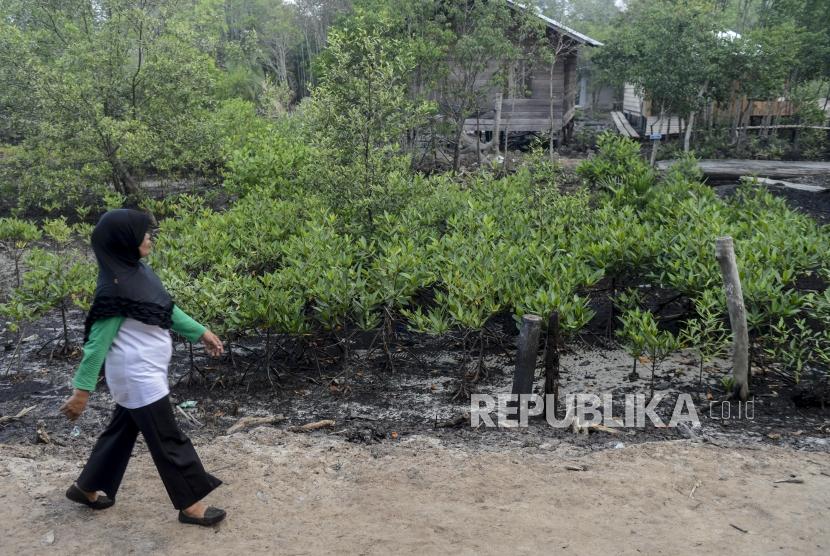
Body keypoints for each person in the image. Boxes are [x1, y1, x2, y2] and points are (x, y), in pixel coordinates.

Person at [59, 208, 227, 527]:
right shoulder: (115, 289)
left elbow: (166, 309)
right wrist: (82, 392)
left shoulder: (135, 271)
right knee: (168, 438)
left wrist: (200, 332)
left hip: (142, 373)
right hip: (137, 376)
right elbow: (96, 346)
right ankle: (190, 505)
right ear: (124, 241)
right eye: (142, 233)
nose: (149, 237)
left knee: (121, 432)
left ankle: (87, 487)